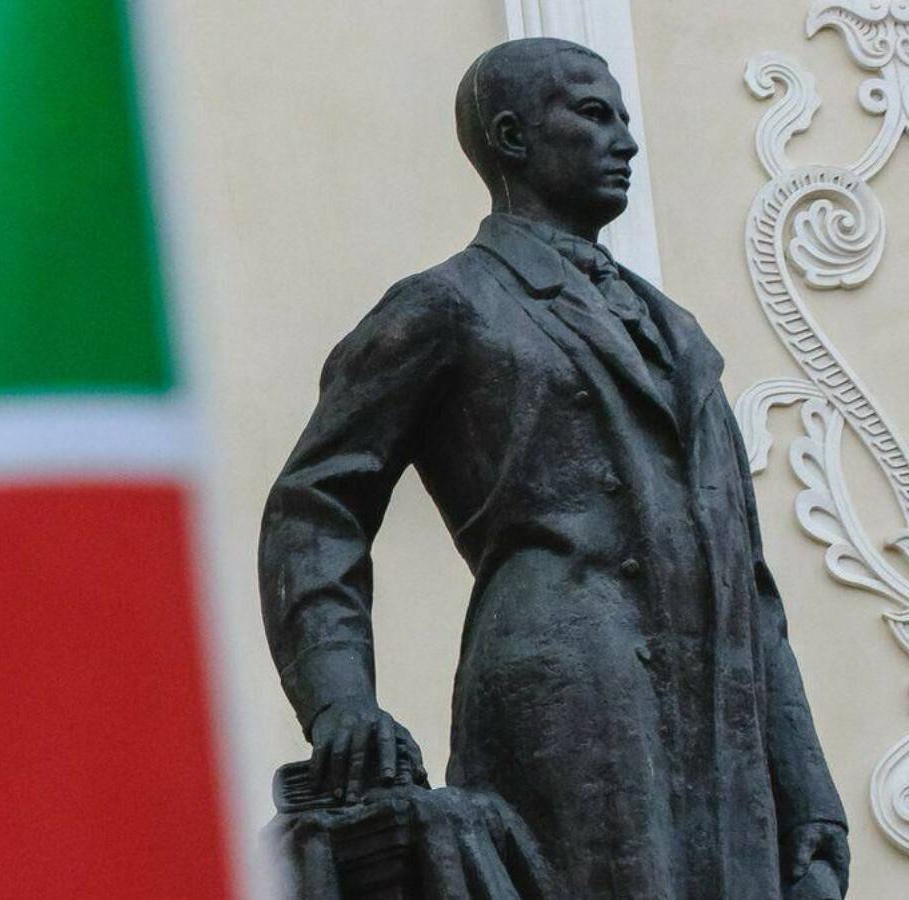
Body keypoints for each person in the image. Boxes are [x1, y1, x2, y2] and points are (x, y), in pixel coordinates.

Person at [259, 38, 850, 898]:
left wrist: (809, 800)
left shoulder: (681, 338)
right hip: (568, 698)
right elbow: (317, 505)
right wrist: (340, 699)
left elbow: (748, 583)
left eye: (624, 118)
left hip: (721, 730)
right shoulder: (451, 304)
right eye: (594, 114)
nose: (626, 142)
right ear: (512, 137)